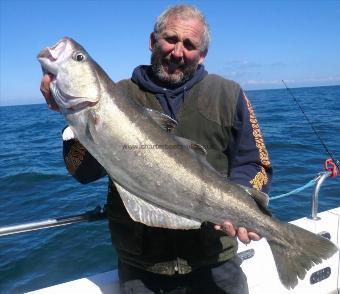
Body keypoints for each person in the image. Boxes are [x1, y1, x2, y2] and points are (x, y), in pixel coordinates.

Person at [41, 5, 272, 294]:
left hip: (215, 261)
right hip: (142, 269)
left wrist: (243, 206)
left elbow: (256, 162)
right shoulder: (119, 94)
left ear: (202, 54)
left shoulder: (229, 94)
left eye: (189, 45)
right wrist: (71, 119)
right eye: (171, 39)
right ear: (152, 41)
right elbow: (82, 172)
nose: (178, 51)